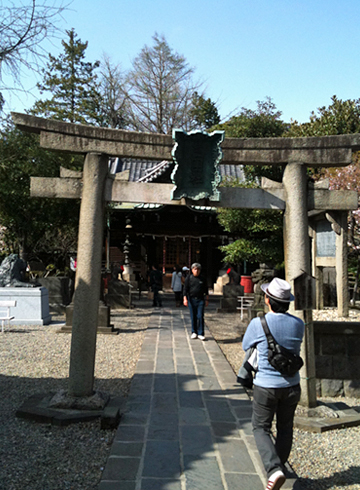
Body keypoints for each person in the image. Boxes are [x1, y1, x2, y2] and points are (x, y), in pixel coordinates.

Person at [242, 277, 304, 490]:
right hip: (292, 385)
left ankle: (273, 469)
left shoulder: (258, 323)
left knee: (260, 427)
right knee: (285, 427)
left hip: (266, 385)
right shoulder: (299, 324)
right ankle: (280, 468)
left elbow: (245, 346)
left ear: (268, 300)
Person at [183, 262, 209, 340]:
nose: (196, 271)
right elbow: (185, 289)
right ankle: (194, 332)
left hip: (200, 299)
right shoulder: (189, 278)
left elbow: (206, 290)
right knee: (193, 316)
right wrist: (185, 299)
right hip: (191, 299)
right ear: (192, 270)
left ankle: (201, 333)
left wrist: (207, 299)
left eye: (198, 269)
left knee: (200, 316)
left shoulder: (203, 279)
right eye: (195, 269)